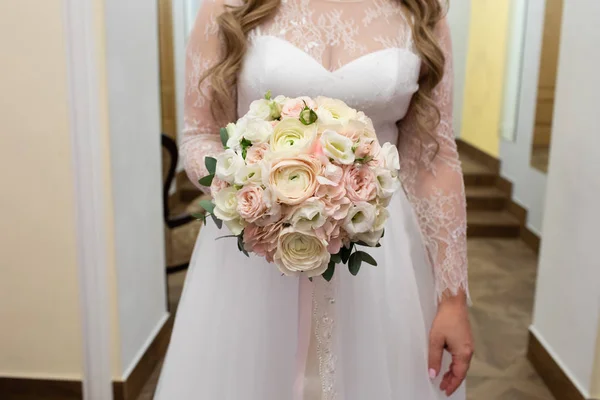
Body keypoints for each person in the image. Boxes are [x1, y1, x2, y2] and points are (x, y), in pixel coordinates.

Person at [155, 0, 473, 398]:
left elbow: (433, 158)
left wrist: (453, 298)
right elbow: (199, 135)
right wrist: (258, 190)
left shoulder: (421, 11)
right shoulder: (229, 5)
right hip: (255, 252)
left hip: (378, 252)